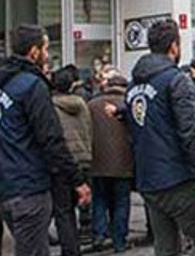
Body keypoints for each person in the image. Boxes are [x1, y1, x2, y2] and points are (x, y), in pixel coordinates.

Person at [0, 25, 89, 256]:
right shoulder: (31, 86)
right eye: (46, 48)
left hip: (4, 189)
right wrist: (77, 180)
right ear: (33, 52)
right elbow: (51, 138)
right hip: (29, 188)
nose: (47, 55)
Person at [126, 19, 195, 256]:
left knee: (166, 248)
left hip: (148, 179)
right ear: (174, 46)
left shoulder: (133, 85)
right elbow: (191, 133)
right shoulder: (176, 80)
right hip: (177, 178)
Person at [88, 68, 133, 254]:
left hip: (97, 162)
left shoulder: (91, 104)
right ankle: (119, 241)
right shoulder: (128, 105)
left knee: (99, 200)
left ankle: (98, 235)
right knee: (121, 202)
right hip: (123, 163)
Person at [52, 66, 93, 256]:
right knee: (82, 205)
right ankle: (82, 237)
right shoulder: (82, 104)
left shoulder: (51, 108)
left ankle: (70, 250)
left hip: (62, 164)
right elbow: (89, 130)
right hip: (84, 160)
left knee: (63, 211)